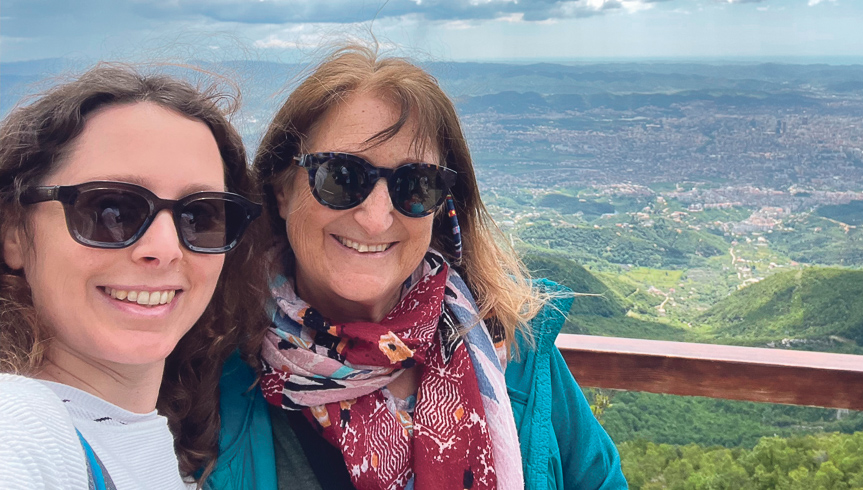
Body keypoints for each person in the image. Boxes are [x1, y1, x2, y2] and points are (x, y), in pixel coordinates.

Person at [211, 44, 626, 490]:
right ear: (282, 189)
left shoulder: (512, 344)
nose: (375, 218)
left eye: (415, 184)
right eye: (340, 177)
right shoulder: (213, 369)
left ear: (442, 204)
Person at [0, 66, 266, 490]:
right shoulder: (21, 426)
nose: (166, 248)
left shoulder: (164, 449)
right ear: (14, 232)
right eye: (112, 210)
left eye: (199, 216)